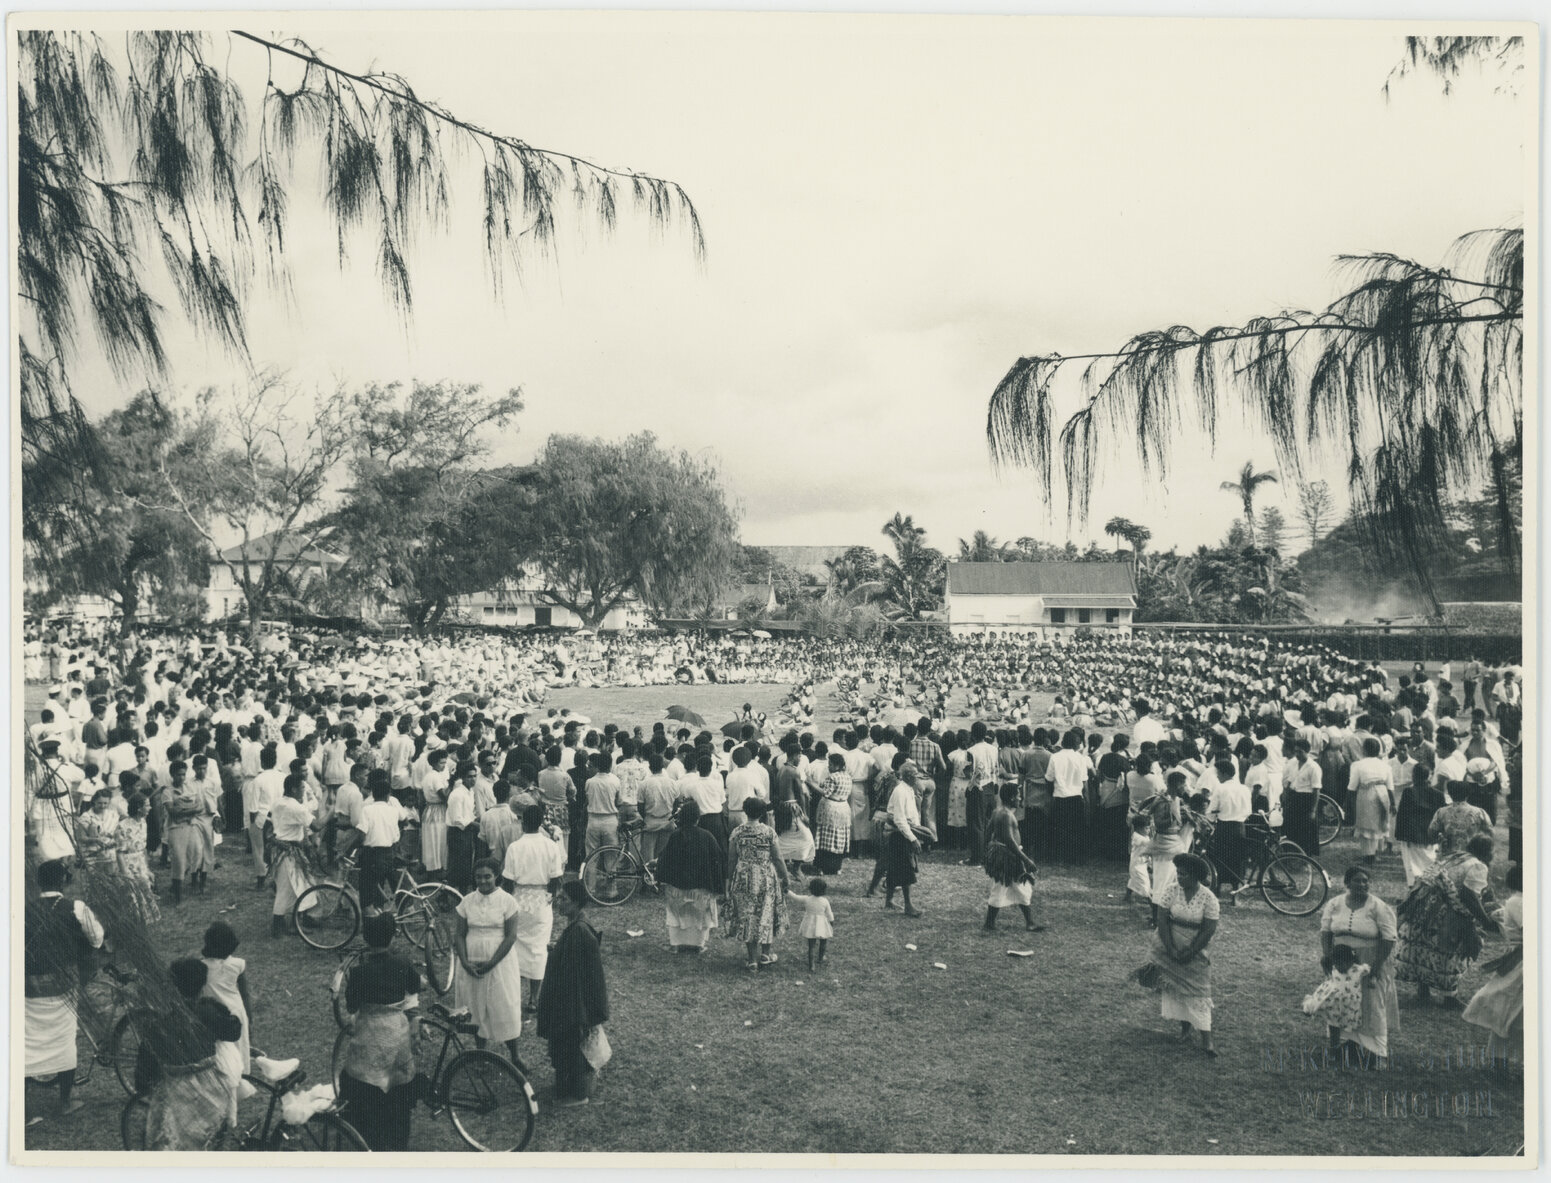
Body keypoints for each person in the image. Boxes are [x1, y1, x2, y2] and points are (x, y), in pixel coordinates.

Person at [24, 859, 104, 1118]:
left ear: (39, 882)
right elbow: (97, 938)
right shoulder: (75, 907)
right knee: (64, 1040)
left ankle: (23, 1108)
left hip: (29, 988)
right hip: (63, 986)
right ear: (63, 881)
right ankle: (65, 1100)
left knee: (28, 1040)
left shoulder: (23, 910)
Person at [337, 912, 422, 1150]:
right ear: (392, 936)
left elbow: (351, 1006)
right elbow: (416, 986)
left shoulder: (359, 972)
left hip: (370, 1031)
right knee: (398, 1085)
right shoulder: (402, 963)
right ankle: (398, 1139)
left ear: (366, 939)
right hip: (397, 1030)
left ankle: (368, 1138)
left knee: (363, 1082)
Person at [1394, 833, 1500, 1007]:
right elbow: (1469, 896)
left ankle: (1423, 990)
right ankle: (1449, 997)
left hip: (1423, 909)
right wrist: (1485, 920)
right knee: (1449, 952)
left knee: (1425, 947)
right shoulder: (1477, 866)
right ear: (1486, 852)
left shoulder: (1454, 856)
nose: (1493, 855)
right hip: (1445, 914)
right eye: (1492, 851)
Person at [1135, 852, 1218, 1057]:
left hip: (1195, 950)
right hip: (1168, 946)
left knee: (1198, 994)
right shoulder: (1171, 890)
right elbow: (1162, 920)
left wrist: (1191, 951)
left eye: (1184, 874)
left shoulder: (1209, 898)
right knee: (1176, 990)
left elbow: (1208, 930)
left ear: (1196, 876)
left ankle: (1207, 1041)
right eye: (1178, 873)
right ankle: (1185, 1031)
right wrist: (1170, 948)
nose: (1179, 877)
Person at [536, 881, 610, 1107]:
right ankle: (566, 1088)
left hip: (571, 1003)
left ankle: (577, 1095)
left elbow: (577, 975)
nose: (558, 902)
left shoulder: (579, 931)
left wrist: (575, 1011)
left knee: (571, 1047)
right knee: (565, 1046)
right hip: (569, 1000)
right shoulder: (576, 925)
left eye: (564, 899)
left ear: (577, 903)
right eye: (558, 898)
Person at [1318, 865, 1400, 1062]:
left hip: (1369, 960)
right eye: (1357, 880)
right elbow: (1326, 931)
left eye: (1366, 881)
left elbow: (1389, 938)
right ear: (1347, 883)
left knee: (1371, 1002)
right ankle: (1343, 1044)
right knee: (1340, 1000)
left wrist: (1376, 967)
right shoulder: (1335, 904)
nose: (1363, 884)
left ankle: (1375, 1052)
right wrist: (1328, 956)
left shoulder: (1378, 907)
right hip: (1341, 961)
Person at [454, 858, 527, 1066]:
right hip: (472, 961)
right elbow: (459, 934)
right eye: (478, 877)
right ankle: (481, 1054)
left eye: (487, 876)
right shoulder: (467, 901)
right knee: (476, 1007)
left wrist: (491, 963)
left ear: (496, 876)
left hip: (500, 962)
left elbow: (511, 936)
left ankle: (515, 1056)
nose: (483, 881)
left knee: (505, 1005)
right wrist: (465, 962)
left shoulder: (508, 901)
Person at [500, 805, 567, 1013]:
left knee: (513, 947)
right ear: (540, 823)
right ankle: (533, 998)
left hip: (518, 899)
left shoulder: (515, 847)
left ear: (523, 823)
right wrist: (549, 898)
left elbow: (507, 882)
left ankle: (512, 996)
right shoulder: (550, 846)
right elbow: (556, 879)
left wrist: (508, 902)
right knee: (538, 949)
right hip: (540, 900)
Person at [1462, 863, 1523, 1071]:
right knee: (1508, 1010)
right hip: (1521, 962)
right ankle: (1499, 1063)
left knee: (1519, 1014)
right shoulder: (1517, 902)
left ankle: (1510, 1062)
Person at [724, 797, 790, 968]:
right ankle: (766, 954)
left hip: (743, 876)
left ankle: (752, 958)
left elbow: (731, 860)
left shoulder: (737, 832)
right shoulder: (769, 832)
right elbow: (778, 858)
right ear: (762, 813)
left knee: (748, 915)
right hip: (765, 875)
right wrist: (785, 877)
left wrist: (729, 880)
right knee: (766, 911)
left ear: (745, 811)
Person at [656, 798, 726, 954]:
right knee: (702, 916)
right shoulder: (707, 836)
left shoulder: (675, 836)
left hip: (677, 888)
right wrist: (718, 886)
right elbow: (718, 861)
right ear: (698, 818)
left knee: (675, 916)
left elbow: (665, 860)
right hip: (701, 889)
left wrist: (660, 877)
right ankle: (699, 945)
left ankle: (675, 945)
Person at [982, 783, 1044, 932]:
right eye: (1018, 795)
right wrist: (1026, 859)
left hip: (1004, 855)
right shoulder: (1006, 815)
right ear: (1011, 798)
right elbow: (1010, 841)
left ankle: (1029, 922)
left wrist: (987, 851)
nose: (1020, 798)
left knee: (1020, 887)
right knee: (1001, 888)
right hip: (1007, 857)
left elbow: (987, 833)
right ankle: (989, 924)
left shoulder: (997, 812)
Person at [199, 921, 255, 1078]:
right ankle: (242, 1077)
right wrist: (249, 1018)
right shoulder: (238, 964)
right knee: (239, 1047)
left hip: (214, 1014)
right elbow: (244, 994)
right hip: (236, 1012)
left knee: (221, 1051)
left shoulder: (201, 967)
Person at [1301, 945, 1370, 1046]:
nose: (1339, 967)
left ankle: (1351, 1044)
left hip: (1349, 1005)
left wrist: (1372, 979)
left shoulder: (1358, 969)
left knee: (1348, 1024)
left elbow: (1368, 969)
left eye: (1342, 964)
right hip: (1334, 1003)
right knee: (1333, 1024)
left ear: (1350, 961)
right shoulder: (1333, 969)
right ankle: (1333, 1046)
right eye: (1336, 964)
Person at [881, 769, 924, 916]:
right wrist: (913, 838)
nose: (918, 779)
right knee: (907, 869)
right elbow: (899, 819)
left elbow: (911, 814)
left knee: (894, 868)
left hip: (904, 831)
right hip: (898, 834)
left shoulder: (909, 790)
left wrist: (916, 830)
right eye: (916, 776)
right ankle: (908, 905)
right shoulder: (900, 791)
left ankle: (889, 900)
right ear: (909, 777)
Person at [1394, 763, 1443, 888]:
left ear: (1414, 776)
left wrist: (1400, 834)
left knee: (1411, 863)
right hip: (1431, 833)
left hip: (1412, 834)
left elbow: (1402, 814)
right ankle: (1431, 883)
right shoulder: (1438, 794)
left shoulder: (1409, 792)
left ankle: (1414, 885)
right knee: (1431, 859)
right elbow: (1440, 816)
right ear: (1429, 776)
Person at [1347, 738, 1394, 863]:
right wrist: (1393, 803)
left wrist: (1350, 806)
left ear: (1364, 750)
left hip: (1366, 794)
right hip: (1383, 793)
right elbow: (1390, 787)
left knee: (1367, 825)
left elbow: (1352, 787)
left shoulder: (1357, 765)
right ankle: (1376, 851)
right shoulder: (1385, 765)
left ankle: (1369, 855)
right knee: (1380, 822)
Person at [117, 792, 161, 924]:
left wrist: (147, 869)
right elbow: (119, 852)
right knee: (132, 894)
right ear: (138, 808)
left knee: (145, 888)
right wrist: (125, 873)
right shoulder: (122, 826)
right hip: (127, 862)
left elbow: (142, 849)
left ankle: (145, 920)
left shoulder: (143, 822)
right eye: (147, 805)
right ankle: (133, 922)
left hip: (140, 862)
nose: (150, 808)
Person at [813, 752, 853, 875]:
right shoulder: (847, 776)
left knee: (826, 836)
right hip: (843, 807)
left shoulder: (833, 777)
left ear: (837, 766)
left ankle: (823, 866)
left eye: (830, 764)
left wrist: (810, 783)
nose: (828, 767)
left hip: (831, 808)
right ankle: (836, 866)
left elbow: (825, 793)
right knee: (839, 836)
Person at [791, 878, 834, 970]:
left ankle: (812, 965)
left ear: (810, 889)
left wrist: (787, 891)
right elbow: (829, 913)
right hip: (822, 924)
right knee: (823, 942)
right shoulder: (825, 901)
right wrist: (831, 922)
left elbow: (795, 897)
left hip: (810, 924)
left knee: (811, 946)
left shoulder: (807, 899)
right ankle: (821, 958)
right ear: (823, 890)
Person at [1124, 811, 1152, 906]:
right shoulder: (1137, 837)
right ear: (1139, 828)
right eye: (1147, 828)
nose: (1149, 830)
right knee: (1144, 882)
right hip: (1137, 865)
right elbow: (1148, 844)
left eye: (1149, 828)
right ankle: (1150, 901)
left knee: (1133, 880)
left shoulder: (1145, 836)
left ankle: (1127, 896)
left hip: (1142, 864)